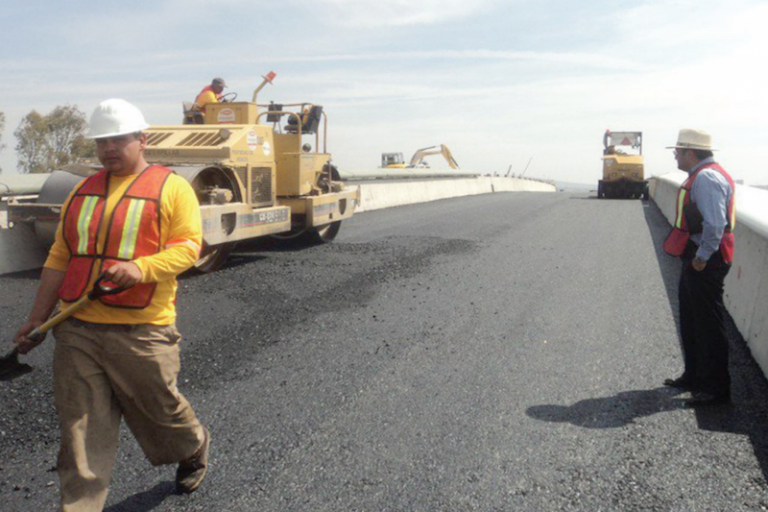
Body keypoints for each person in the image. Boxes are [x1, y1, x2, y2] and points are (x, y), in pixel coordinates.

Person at [13, 99, 210, 511]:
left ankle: (192, 447)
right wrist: (38, 318)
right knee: (79, 430)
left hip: (143, 330)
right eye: (103, 141)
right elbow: (59, 258)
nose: (109, 148)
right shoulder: (81, 192)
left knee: (162, 412)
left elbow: (189, 248)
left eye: (119, 139)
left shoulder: (171, 188)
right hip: (78, 329)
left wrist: (142, 268)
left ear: (142, 139)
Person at [662, 128, 736, 407]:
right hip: (697, 254)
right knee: (692, 318)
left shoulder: (706, 178)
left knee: (707, 324)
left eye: (678, 151)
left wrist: (702, 257)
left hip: (706, 257)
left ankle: (717, 389)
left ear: (690, 153)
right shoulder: (702, 175)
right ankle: (693, 375)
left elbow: (715, 224)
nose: (675, 156)